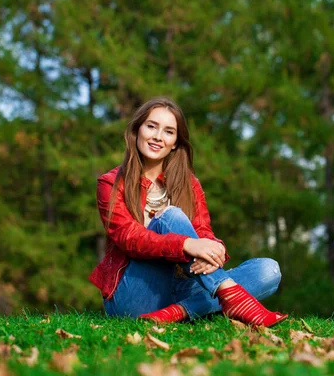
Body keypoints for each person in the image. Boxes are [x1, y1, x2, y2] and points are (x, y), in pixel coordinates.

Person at [89, 97, 287, 327]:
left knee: (268, 270)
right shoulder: (111, 183)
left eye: (169, 132)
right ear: (137, 130)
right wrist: (185, 245)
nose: (157, 137)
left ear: (175, 142)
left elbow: (203, 231)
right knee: (170, 216)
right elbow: (129, 238)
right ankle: (229, 296)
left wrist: (217, 247)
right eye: (151, 126)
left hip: (182, 285)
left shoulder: (189, 184)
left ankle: (181, 311)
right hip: (134, 295)